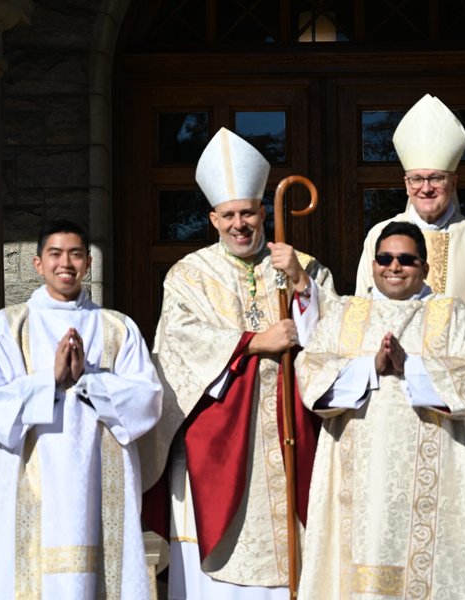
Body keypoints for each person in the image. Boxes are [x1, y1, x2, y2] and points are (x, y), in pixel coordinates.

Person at [145, 127, 334, 599]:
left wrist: (301, 285)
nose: (239, 225)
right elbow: (180, 344)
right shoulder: (189, 274)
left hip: (293, 432)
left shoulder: (305, 266)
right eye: (228, 215)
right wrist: (253, 343)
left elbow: (337, 339)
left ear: (263, 211)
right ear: (213, 218)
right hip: (220, 438)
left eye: (247, 213)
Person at [0, 219, 163, 599]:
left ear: (89, 262)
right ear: (38, 263)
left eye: (75, 254)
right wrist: (48, 381)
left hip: (98, 482)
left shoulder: (118, 329)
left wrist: (88, 380)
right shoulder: (6, 326)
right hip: (27, 481)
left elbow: (147, 400)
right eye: (55, 254)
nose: (65, 263)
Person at [296, 221, 465, 599]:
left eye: (406, 259)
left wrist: (411, 368)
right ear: (373, 265)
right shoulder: (344, 312)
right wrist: (371, 366)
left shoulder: (452, 313)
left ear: (425, 267)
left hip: (436, 480)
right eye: (385, 258)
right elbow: (310, 373)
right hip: (358, 481)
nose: (394, 267)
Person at [355, 93, 465, 307]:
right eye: (417, 179)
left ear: (453, 183)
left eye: (436, 178)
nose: (426, 188)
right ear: (406, 184)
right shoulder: (379, 234)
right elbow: (365, 306)